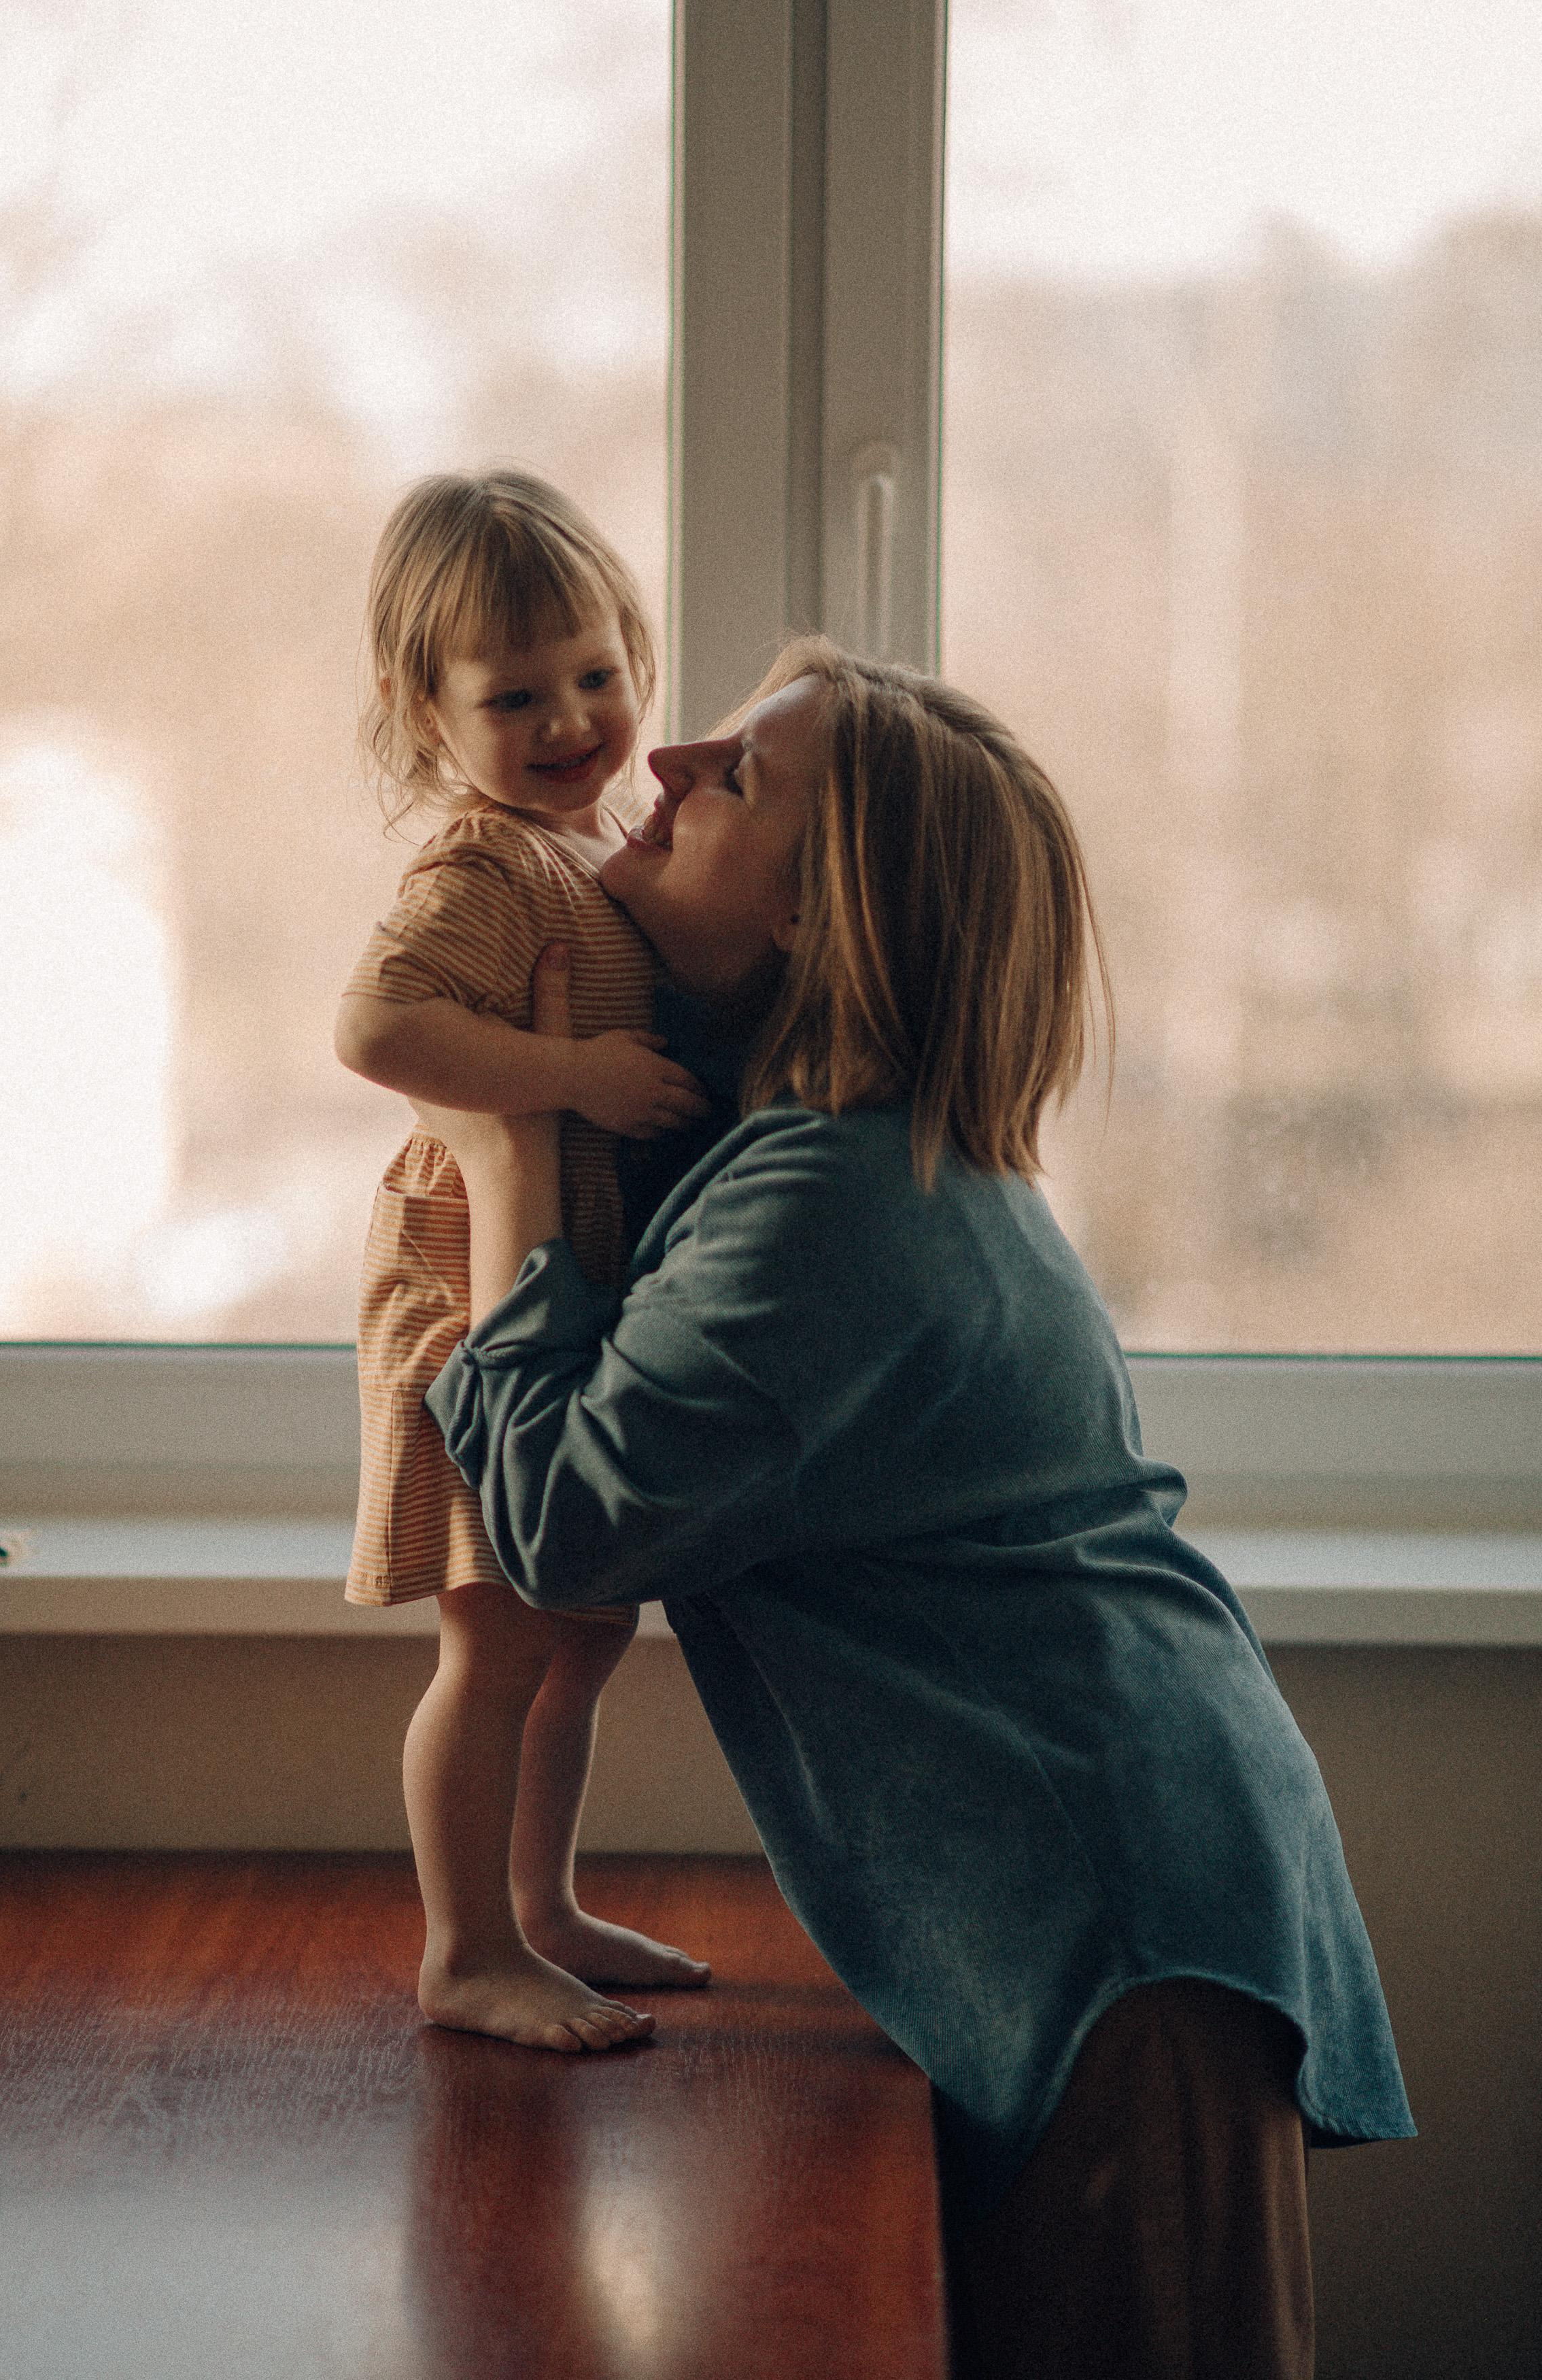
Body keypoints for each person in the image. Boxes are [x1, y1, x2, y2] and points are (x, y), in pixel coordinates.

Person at [411, 639, 1415, 2378]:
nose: (667, 757)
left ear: (820, 915)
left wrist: (502, 1146)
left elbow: (568, 1521)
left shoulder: (831, 1209)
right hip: (1140, 1885)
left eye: (740, 776)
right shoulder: (844, 1150)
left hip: (1119, 1937)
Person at [333, 471, 712, 2054]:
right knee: (492, 1632)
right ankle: (464, 1946)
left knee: (588, 1623)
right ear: (428, 713)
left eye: (598, 676)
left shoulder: (596, 842)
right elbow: (377, 1028)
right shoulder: (483, 866)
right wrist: (572, 1082)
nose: (571, 719)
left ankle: (543, 1906)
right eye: (515, 696)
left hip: (571, 1284)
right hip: (468, 1297)